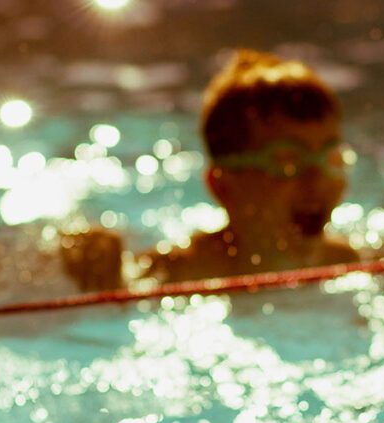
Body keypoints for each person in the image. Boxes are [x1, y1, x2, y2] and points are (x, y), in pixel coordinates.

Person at [140, 49, 358, 282]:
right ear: (223, 187)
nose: (317, 179)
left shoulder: (351, 264)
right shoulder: (176, 274)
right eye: (288, 161)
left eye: (331, 157)